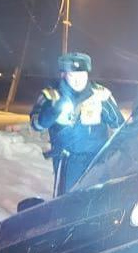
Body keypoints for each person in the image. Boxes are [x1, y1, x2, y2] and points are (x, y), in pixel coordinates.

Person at [30, 52, 124, 196]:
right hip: (66, 164)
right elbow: (35, 124)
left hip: (97, 163)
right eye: (72, 75)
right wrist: (51, 112)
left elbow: (119, 125)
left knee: (98, 202)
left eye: (81, 75)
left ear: (87, 74)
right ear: (63, 75)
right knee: (67, 205)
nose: (77, 80)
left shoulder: (101, 95)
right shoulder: (50, 95)